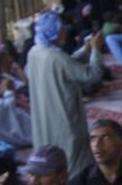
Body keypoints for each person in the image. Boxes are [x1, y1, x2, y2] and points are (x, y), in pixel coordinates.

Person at [26, 11, 105, 172]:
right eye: (61, 29)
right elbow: (93, 75)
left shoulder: (35, 52)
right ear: (53, 33)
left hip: (46, 116)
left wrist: (87, 48)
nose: (64, 32)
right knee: (74, 162)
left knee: (51, 156)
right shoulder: (56, 58)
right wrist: (96, 50)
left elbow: (68, 65)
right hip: (65, 119)